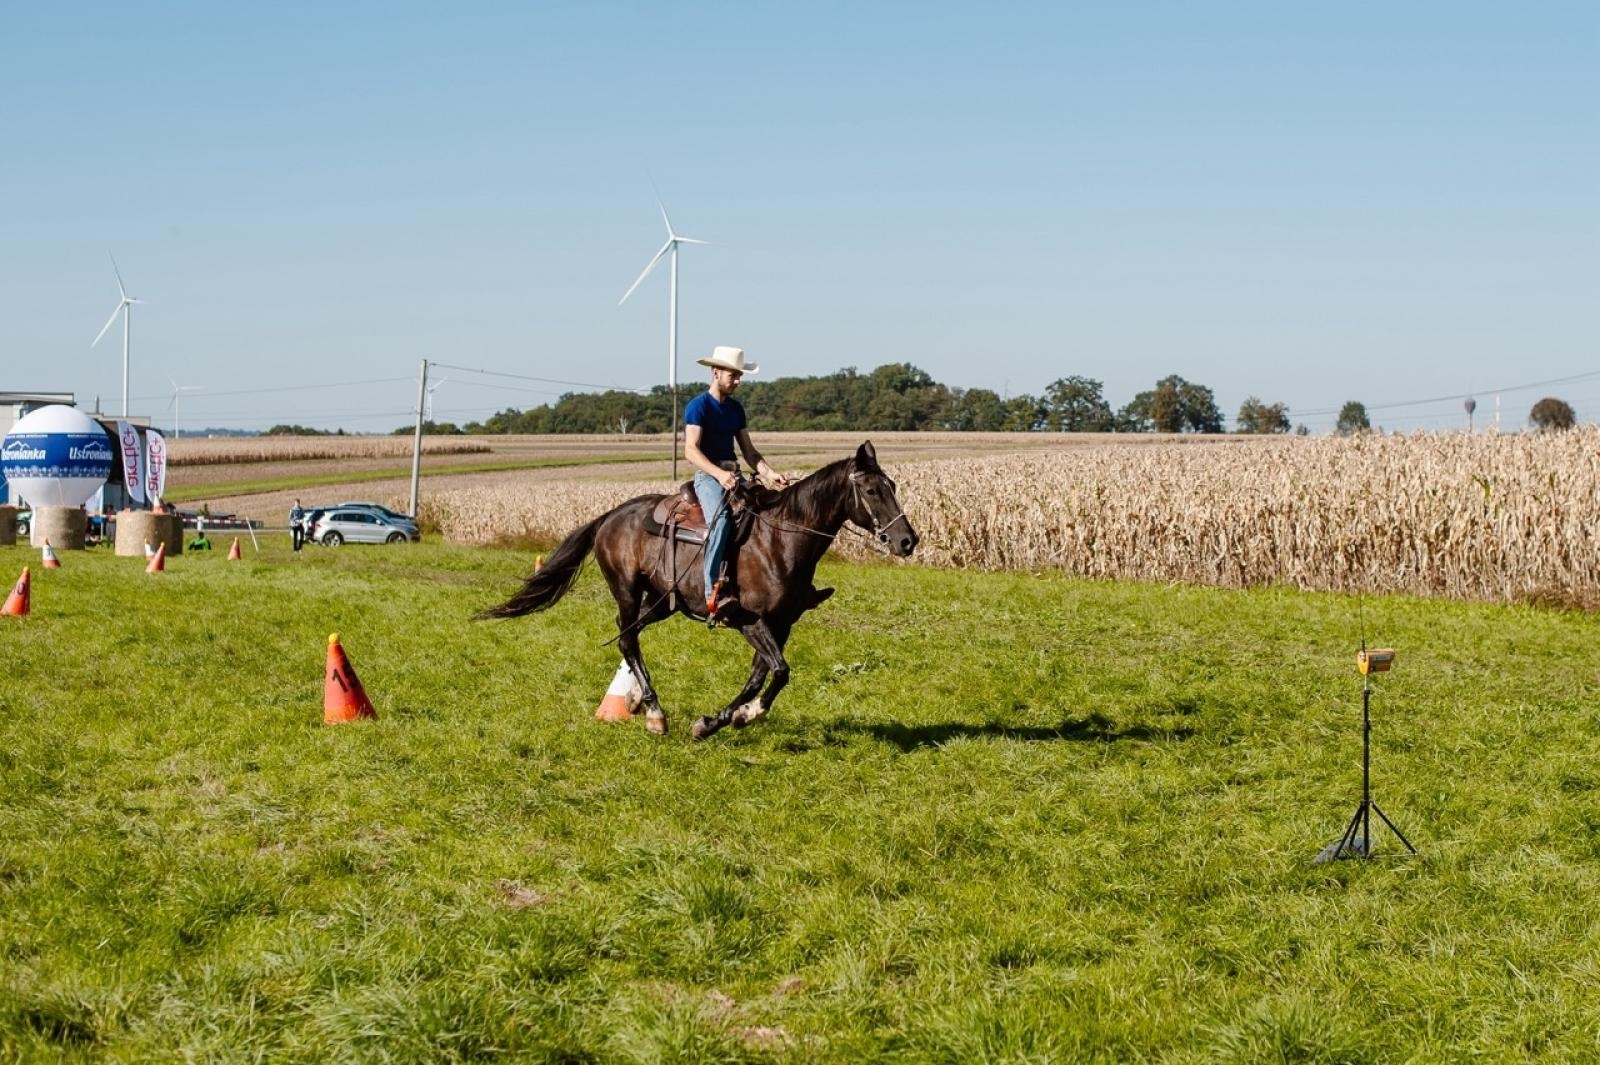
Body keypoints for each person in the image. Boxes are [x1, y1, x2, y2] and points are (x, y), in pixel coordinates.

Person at [683, 346, 789, 623]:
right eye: (734, 375)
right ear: (715, 372)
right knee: (720, 521)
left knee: (766, 514)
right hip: (709, 477)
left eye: (740, 376)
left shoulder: (736, 409)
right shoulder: (699, 406)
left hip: (735, 475)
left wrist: (770, 474)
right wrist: (718, 474)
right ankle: (712, 592)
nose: (738, 381)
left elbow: (750, 452)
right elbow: (691, 451)